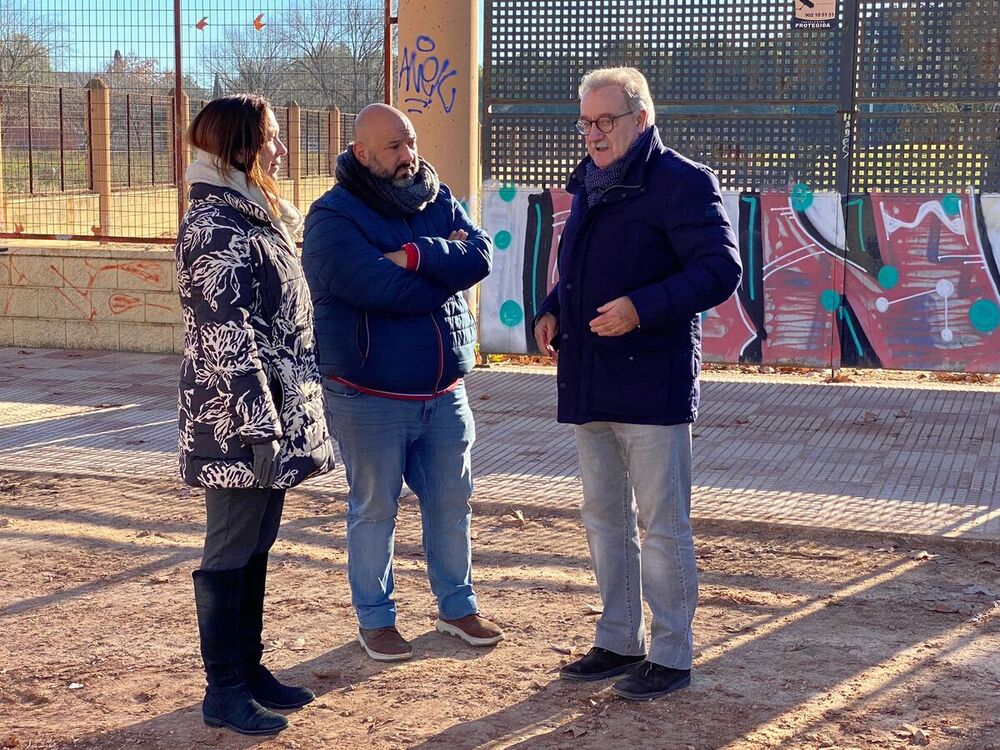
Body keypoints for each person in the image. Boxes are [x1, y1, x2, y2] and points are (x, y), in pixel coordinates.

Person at [533, 68, 742, 701]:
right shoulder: (591, 185)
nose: (593, 134)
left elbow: (719, 270)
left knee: (662, 522)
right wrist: (551, 307)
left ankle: (672, 652)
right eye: (586, 122)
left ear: (641, 120)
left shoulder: (680, 182)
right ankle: (618, 638)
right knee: (603, 518)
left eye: (606, 121)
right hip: (591, 379)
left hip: (652, 383)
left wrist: (642, 308)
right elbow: (586, 269)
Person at [302, 103, 501, 662]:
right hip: (370, 394)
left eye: (409, 141)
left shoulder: (436, 197)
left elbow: (480, 255)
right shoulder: (333, 219)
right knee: (375, 508)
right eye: (393, 146)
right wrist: (443, 274)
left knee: (452, 502)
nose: (408, 155)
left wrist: (416, 254)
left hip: (443, 393)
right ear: (362, 153)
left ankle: (457, 608)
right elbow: (383, 290)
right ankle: (376, 619)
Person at [176, 94, 336, 735]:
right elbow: (225, 333)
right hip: (238, 421)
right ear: (242, 148)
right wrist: (258, 425)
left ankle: (249, 669)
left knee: (256, 544)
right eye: (271, 137)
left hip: (268, 411)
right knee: (230, 550)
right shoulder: (215, 223)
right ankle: (224, 690)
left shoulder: (251, 214)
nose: (281, 148)